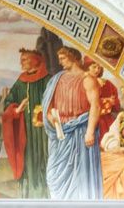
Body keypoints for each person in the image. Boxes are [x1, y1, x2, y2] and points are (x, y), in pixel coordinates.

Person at [41, 45, 102, 199]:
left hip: (80, 131)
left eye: (63, 58)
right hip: (60, 132)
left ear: (73, 57)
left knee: (80, 172)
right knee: (53, 173)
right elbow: (48, 107)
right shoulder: (57, 80)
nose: (60, 62)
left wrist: (89, 132)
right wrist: (52, 119)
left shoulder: (87, 79)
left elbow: (95, 106)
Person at [1, 48, 49, 198]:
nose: (21, 63)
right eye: (21, 60)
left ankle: (46, 194)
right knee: (28, 158)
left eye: (25, 59)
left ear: (35, 60)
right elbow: (9, 102)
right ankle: (29, 196)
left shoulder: (48, 80)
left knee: (44, 157)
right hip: (25, 129)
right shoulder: (21, 82)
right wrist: (16, 109)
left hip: (44, 130)